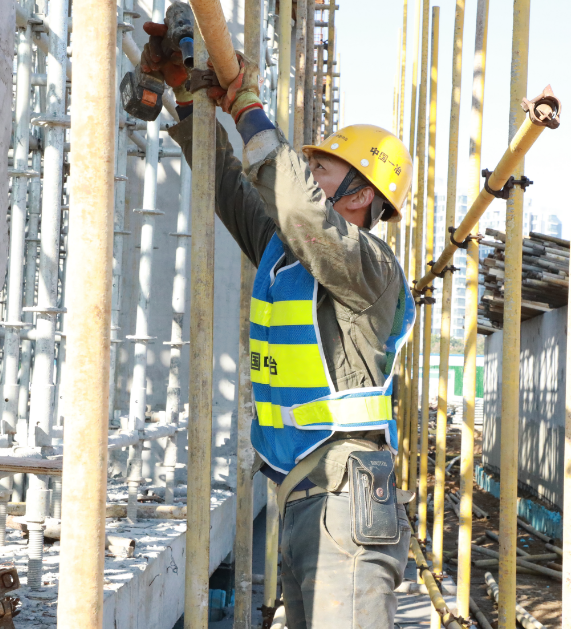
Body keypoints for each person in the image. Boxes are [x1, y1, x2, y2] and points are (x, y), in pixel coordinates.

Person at [139, 21, 417, 629]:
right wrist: (187, 99)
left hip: (345, 498)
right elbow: (228, 187)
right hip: (305, 495)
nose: (306, 172)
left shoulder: (370, 268)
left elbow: (294, 205)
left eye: (321, 168)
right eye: (307, 165)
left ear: (360, 195)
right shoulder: (287, 255)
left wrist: (248, 108)